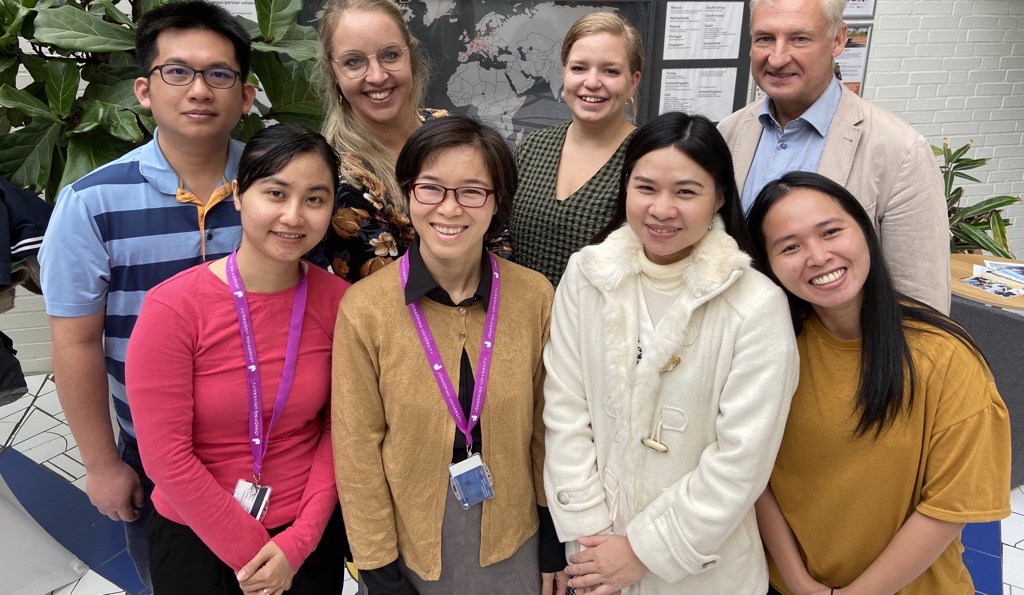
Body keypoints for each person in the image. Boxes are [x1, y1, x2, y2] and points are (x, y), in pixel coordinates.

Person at [39, 0, 257, 587]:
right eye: (177, 72)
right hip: (156, 452)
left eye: (219, 74)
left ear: (246, 95)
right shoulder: (92, 204)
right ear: (144, 90)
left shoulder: (281, 189)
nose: (199, 90)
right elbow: (76, 343)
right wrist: (102, 462)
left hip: (270, 442)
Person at [543, 112, 799, 595]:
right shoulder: (587, 274)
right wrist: (593, 539)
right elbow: (564, 409)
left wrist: (642, 551)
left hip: (704, 568)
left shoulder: (757, 304)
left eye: (686, 191)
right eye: (646, 188)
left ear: (720, 197)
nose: (662, 210)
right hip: (597, 558)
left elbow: (742, 461)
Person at [332, 116, 567, 594]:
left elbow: (548, 428)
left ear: (497, 201)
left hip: (514, 535)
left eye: (472, 191)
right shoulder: (365, 309)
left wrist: (552, 538)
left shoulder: (534, 297)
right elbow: (357, 450)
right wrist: (378, 568)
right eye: (431, 188)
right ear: (408, 193)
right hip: (409, 545)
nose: (449, 208)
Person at [746, 171, 1010, 595]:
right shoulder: (773, 349)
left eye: (831, 232)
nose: (816, 256)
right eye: (790, 246)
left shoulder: (944, 358)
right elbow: (753, 476)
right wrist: (797, 580)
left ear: (866, 233)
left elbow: (948, 505)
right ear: (769, 265)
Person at [126, 124, 349, 595]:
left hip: (302, 540)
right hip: (197, 539)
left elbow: (340, 431)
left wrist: (297, 545)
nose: (293, 216)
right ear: (238, 195)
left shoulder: (340, 303)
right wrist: (252, 551)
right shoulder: (174, 308)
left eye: (315, 199)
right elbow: (165, 457)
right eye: (275, 193)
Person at [717, 0, 950, 314]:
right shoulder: (729, 133)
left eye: (799, 39)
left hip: (843, 357)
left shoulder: (898, 151)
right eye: (765, 38)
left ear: (838, 40)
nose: (778, 58)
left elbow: (920, 297)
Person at [315, 0, 448, 281]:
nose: (376, 76)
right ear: (332, 69)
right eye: (353, 61)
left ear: (410, 54)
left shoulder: (447, 128)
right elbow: (389, 298)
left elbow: (497, 235)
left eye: (389, 55)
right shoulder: (335, 176)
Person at [510, 12, 642, 287]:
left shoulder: (646, 159)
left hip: (601, 325)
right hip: (525, 321)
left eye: (610, 71)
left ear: (633, 82)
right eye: (579, 68)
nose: (592, 82)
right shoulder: (532, 149)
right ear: (564, 75)